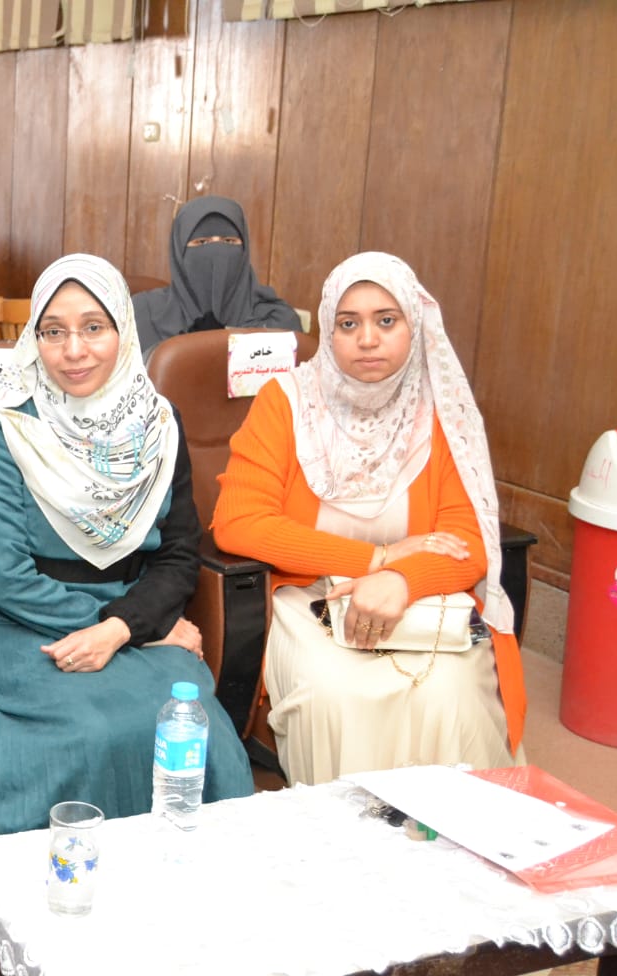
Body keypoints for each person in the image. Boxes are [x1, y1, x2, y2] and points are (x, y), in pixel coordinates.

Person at [0, 253, 253, 836]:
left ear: (124, 331)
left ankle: (185, 882)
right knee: (89, 734)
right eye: (53, 332)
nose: (74, 350)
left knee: (193, 728)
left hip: (134, 619)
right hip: (23, 626)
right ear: (34, 339)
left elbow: (177, 554)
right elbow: (7, 578)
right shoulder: (6, 429)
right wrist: (136, 628)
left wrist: (121, 629)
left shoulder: (159, 426)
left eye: (93, 327)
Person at [212, 251, 525, 788]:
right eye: (348, 324)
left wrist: (401, 580)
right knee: (335, 695)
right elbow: (239, 522)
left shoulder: (443, 412)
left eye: (386, 320)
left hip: (423, 601)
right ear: (329, 332)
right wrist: (376, 559)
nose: (367, 339)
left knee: (452, 694)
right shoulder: (286, 401)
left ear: (414, 326)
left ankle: (449, 838)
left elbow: (470, 542)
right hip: (308, 597)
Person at [131, 195, 300, 356]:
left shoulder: (278, 321)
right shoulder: (142, 315)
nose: (217, 252)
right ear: (179, 253)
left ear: (244, 251)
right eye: (202, 242)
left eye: (229, 241)